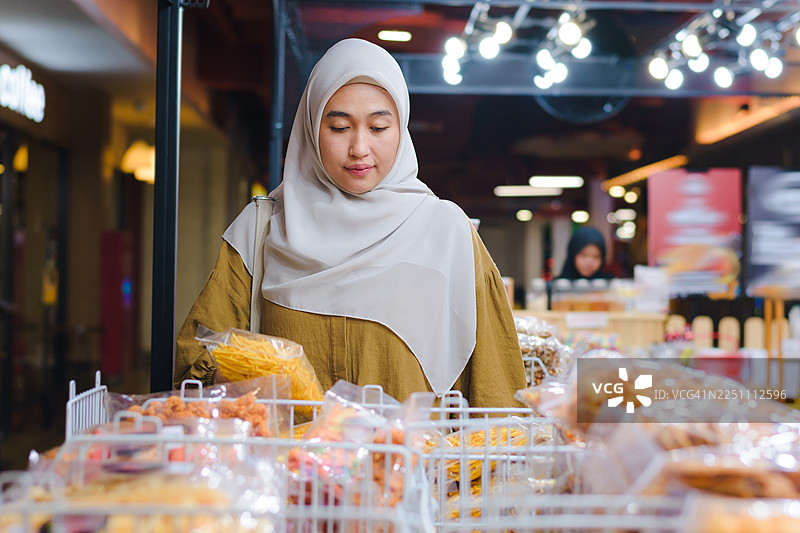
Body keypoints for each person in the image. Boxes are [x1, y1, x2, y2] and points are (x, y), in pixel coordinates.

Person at [173, 38, 526, 407]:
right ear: (311, 130)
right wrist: (240, 379)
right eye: (340, 128)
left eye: (378, 128)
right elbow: (194, 370)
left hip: (409, 463)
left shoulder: (447, 234)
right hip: (288, 462)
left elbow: (497, 397)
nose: (359, 148)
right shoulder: (260, 231)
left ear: (401, 131)